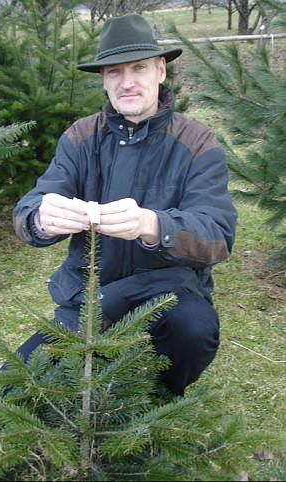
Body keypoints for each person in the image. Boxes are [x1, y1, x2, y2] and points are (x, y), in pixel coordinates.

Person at [12, 13, 237, 396]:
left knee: (194, 330)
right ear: (103, 79)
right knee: (9, 391)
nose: (127, 82)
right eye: (114, 72)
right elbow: (31, 206)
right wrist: (40, 219)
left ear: (161, 70)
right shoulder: (81, 136)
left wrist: (152, 225)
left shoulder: (198, 142)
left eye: (139, 68)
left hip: (170, 291)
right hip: (90, 296)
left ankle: (161, 401)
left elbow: (217, 235)